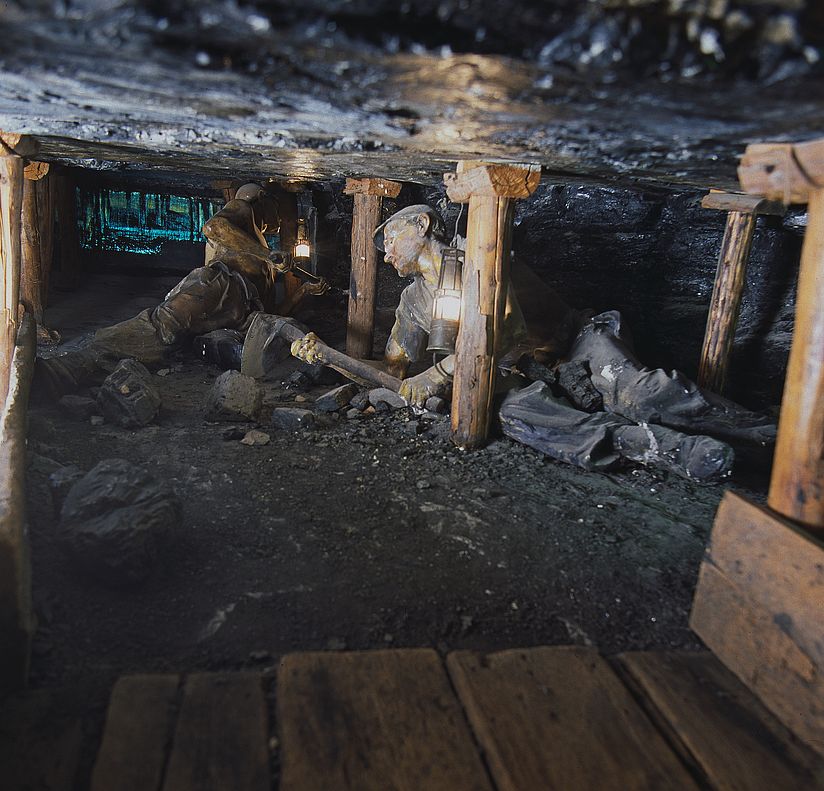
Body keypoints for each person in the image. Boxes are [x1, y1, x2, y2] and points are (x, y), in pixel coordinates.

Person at [294, 204, 776, 481]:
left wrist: (439, 373)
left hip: (575, 342)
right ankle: (669, 450)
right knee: (520, 418)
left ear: (421, 226)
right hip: (516, 371)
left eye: (391, 238)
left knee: (634, 391)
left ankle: (762, 433)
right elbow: (398, 369)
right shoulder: (412, 303)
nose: (386, 251)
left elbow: (505, 329)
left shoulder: (479, 258)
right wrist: (332, 358)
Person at [36, 183, 328, 395]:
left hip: (238, 308)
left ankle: (80, 372)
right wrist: (266, 256)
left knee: (167, 341)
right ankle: (63, 370)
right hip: (218, 285)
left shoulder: (259, 244)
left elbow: (268, 316)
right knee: (161, 327)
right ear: (262, 199)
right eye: (277, 209)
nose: (278, 220)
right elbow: (213, 228)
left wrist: (303, 293)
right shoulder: (244, 210)